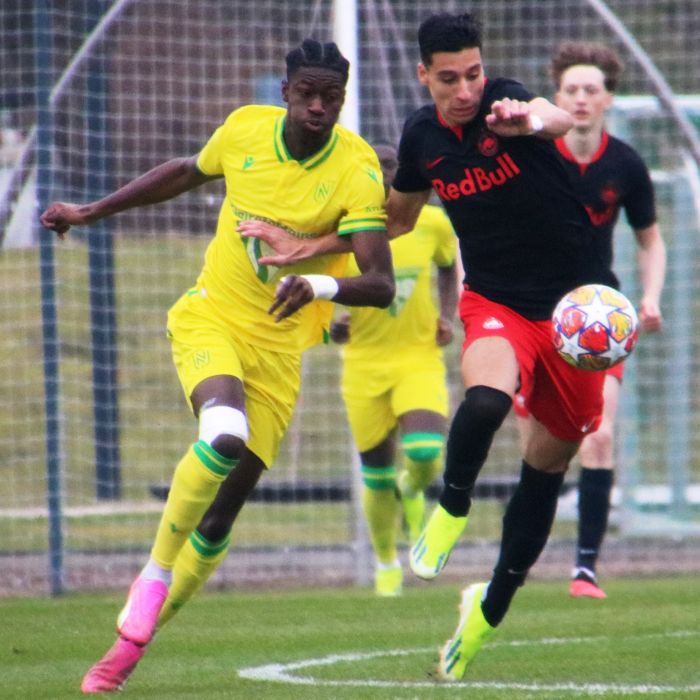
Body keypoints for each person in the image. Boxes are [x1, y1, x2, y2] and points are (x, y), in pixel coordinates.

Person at [241, 12, 620, 682]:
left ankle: (486, 612)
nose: (466, 89)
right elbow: (395, 220)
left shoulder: (507, 101)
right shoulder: (421, 138)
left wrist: (528, 120)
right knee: (485, 400)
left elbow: (557, 118)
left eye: (473, 73)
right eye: (450, 78)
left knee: (545, 471)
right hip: (497, 301)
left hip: (573, 314)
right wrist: (309, 245)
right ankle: (451, 507)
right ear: (425, 76)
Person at [40, 39, 395, 694]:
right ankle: (153, 573)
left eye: (331, 97)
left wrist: (318, 285)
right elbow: (184, 171)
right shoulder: (244, 130)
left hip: (280, 354)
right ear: (285, 92)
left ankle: (127, 652)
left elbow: (380, 283)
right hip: (212, 318)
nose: (318, 107)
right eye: (307, 94)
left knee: (220, 516)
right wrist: (90, 211)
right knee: (224, 432)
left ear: (342, 101)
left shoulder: (358, 168)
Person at [513, 41, 665, 600]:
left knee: (599, 437)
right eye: (571, 89)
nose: (580, 98)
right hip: (533, 314)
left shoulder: (625, 164)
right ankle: (517, 561)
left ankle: (585, 570)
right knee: (540, 451)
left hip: (599, 318)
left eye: (590, 90)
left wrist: (650, 297)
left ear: (608, 99)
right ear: (556, 97)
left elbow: (650, 240)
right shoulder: (532, 156)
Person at [329, 143, 458, 597]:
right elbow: (321, 282)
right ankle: (386, 563)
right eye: (373, 167)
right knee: (377, 474)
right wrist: (331, 325)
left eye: (389, 166)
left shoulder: (432, 223)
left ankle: (414, 487)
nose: (383, 174)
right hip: (364, 363)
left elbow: (449, 268)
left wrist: (447, 315)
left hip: (417, 357)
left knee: (425, 452)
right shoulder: (344, 229)